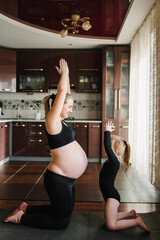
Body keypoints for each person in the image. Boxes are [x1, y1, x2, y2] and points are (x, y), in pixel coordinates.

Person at [3, 58, 88, 229]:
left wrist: (67, 78)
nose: (71, 110)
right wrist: (66, 73)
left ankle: (25, 208)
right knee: (61, 223)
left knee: (64, 211)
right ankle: (21, 219)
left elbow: (65, 93)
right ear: (59, 106)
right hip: (59, 179)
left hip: (67, 179)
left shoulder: (61, 121)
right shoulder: (52, 121)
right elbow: (63, 91)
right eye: (69, 106)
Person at [99, 121, 150, 232]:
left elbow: (107, 146)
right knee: (111, 218)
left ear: (116, 151)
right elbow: (108, 147)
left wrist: (107, 131)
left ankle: (137, 221)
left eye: (109, 149)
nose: (105, 149)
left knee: (111, 225)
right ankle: (130, 213)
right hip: (110, 196)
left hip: (112, 197)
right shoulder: (112, 161)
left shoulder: (114, 162)